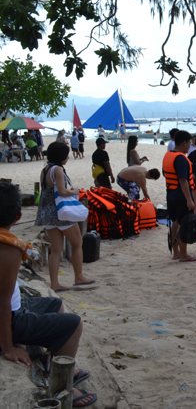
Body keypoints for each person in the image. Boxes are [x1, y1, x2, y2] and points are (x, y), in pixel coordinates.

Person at [1, 183, 98, 407]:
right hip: (10, 318)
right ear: (17, 216)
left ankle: (60, 364)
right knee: (74, 323)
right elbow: (2, 302)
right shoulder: (7, 249)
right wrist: (8, 347)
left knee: (55, 303)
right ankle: (61, 386)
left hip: (15, 309)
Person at [35, 142, 95, 292]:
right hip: (60, 213)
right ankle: (79, 277)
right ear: (61, 156)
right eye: (66, 154)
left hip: (47, 214)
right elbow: (62, 192)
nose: (68, 157)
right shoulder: (58, 170)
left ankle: (54, 283)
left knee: (56, 250)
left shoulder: (45, 169)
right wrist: (75, 192)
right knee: (77, 243)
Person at [163, 130, 196, 262]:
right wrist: (190, 200)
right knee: (184, 223)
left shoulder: (168, 155)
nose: (190, 146)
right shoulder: (181, 159)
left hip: (171, 194)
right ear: (184, 143)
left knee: (175, 223)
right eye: (189, 143)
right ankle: (184, 255)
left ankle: (176, 252)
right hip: (181, 196)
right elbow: (183, 180)